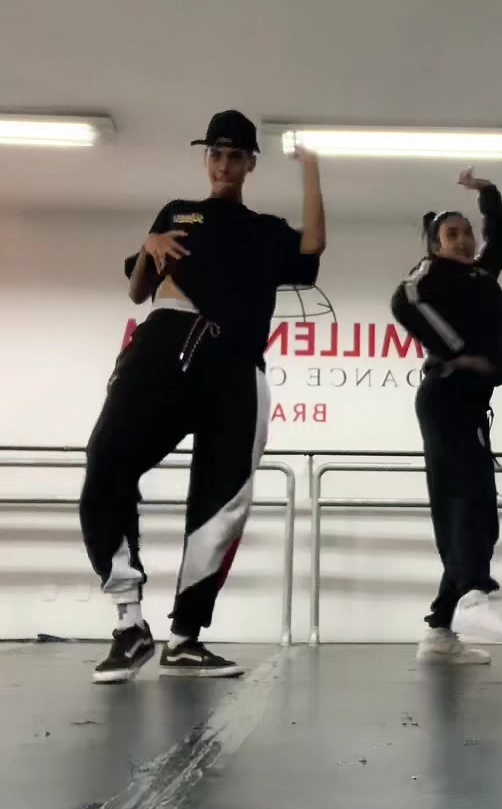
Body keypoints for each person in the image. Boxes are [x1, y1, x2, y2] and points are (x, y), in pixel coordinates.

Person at [80, 110, 325, 683]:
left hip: (234, 363)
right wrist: (147, 245)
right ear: (205, 158)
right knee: (106, 459)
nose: (223, 164)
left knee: (222, 499)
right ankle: (130, 624)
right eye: (215, 154)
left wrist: (312, 167)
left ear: (250, 164)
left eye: (235, 156)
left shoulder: (264, 230)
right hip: (164, 342)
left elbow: (313, 246)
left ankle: (186, 638)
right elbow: (138, 291)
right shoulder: (177, 213)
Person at [391, 168, 502, 665]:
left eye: (468, 232)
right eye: (453, 234)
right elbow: (403, 301)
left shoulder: (479, 275)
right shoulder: (430, 273)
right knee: (464, 498)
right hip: (445, 397)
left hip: (470, 403)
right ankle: (472, 589)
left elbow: (501, 240)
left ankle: (441, 627)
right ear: (436, 244)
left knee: (478, 503)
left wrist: (489, 195)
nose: (465, 239)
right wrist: (455, 350)